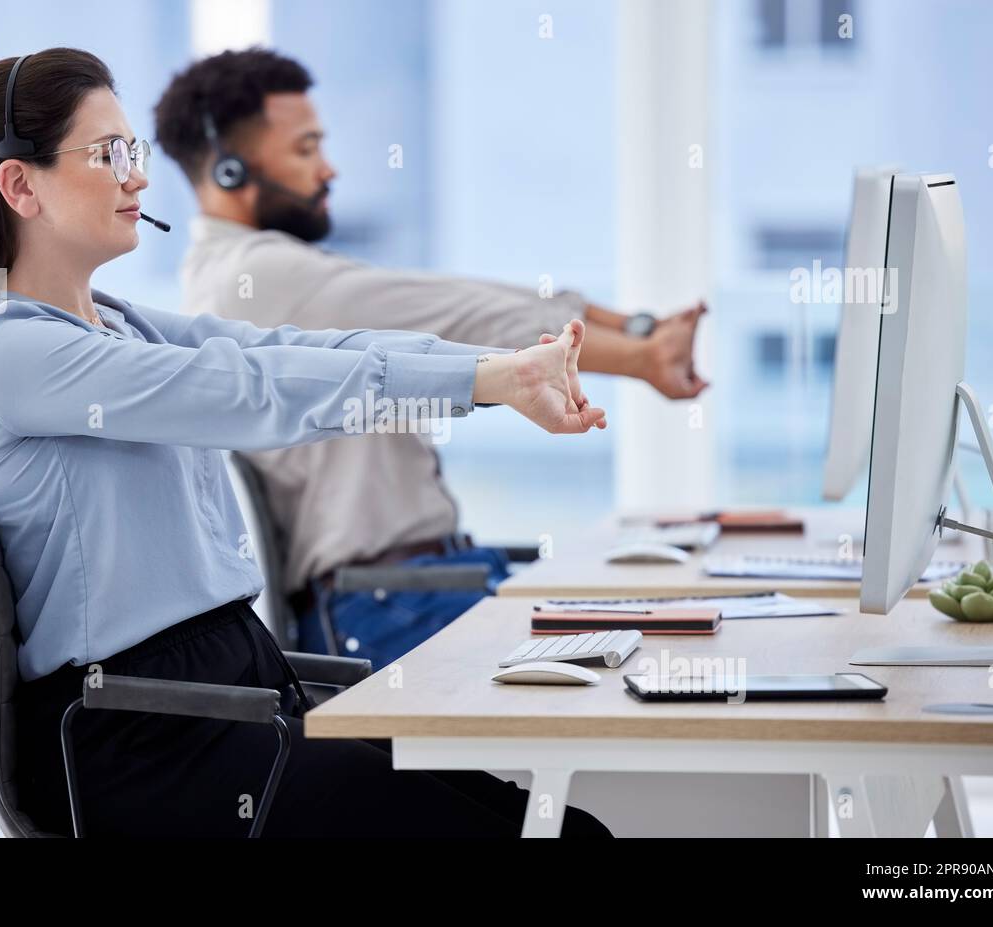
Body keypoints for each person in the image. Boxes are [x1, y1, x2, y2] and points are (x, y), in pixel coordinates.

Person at [0, 47, 611, 838]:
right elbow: (249, 393)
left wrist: (496, 372)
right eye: (109, 154)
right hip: (138, 733)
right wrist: (483, 383)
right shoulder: (8, 353)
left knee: (559, 825)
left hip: (238, 691)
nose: (136, 176)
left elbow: (286, 352)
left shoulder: (122, 323)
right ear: (19, 183)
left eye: (133, 152)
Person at [154, 48, 709, 667]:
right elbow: (460, 312)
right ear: (229, 171)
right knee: (650, 671)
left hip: (415, 591)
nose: (328, 170)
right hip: (390, 605)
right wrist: (638, 355)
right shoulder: (256, 275)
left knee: (654, 645)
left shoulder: (252, 272)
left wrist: (638, 330)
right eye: (306, 149)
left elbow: (456, 298)